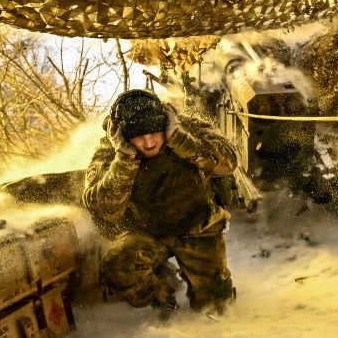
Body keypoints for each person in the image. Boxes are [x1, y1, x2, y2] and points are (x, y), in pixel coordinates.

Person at [83, 89, 241, 315]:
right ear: (125, 137)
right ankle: (164, 296)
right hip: (149, 232)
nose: (148, 143)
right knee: (119, 267)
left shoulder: (184, 127)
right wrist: (125, 160)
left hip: (197, 225)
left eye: (154, 134)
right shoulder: (111, 150)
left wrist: (180, 140)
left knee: (217, 307)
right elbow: (103, 207)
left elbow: (229, 162)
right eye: (139, 138)